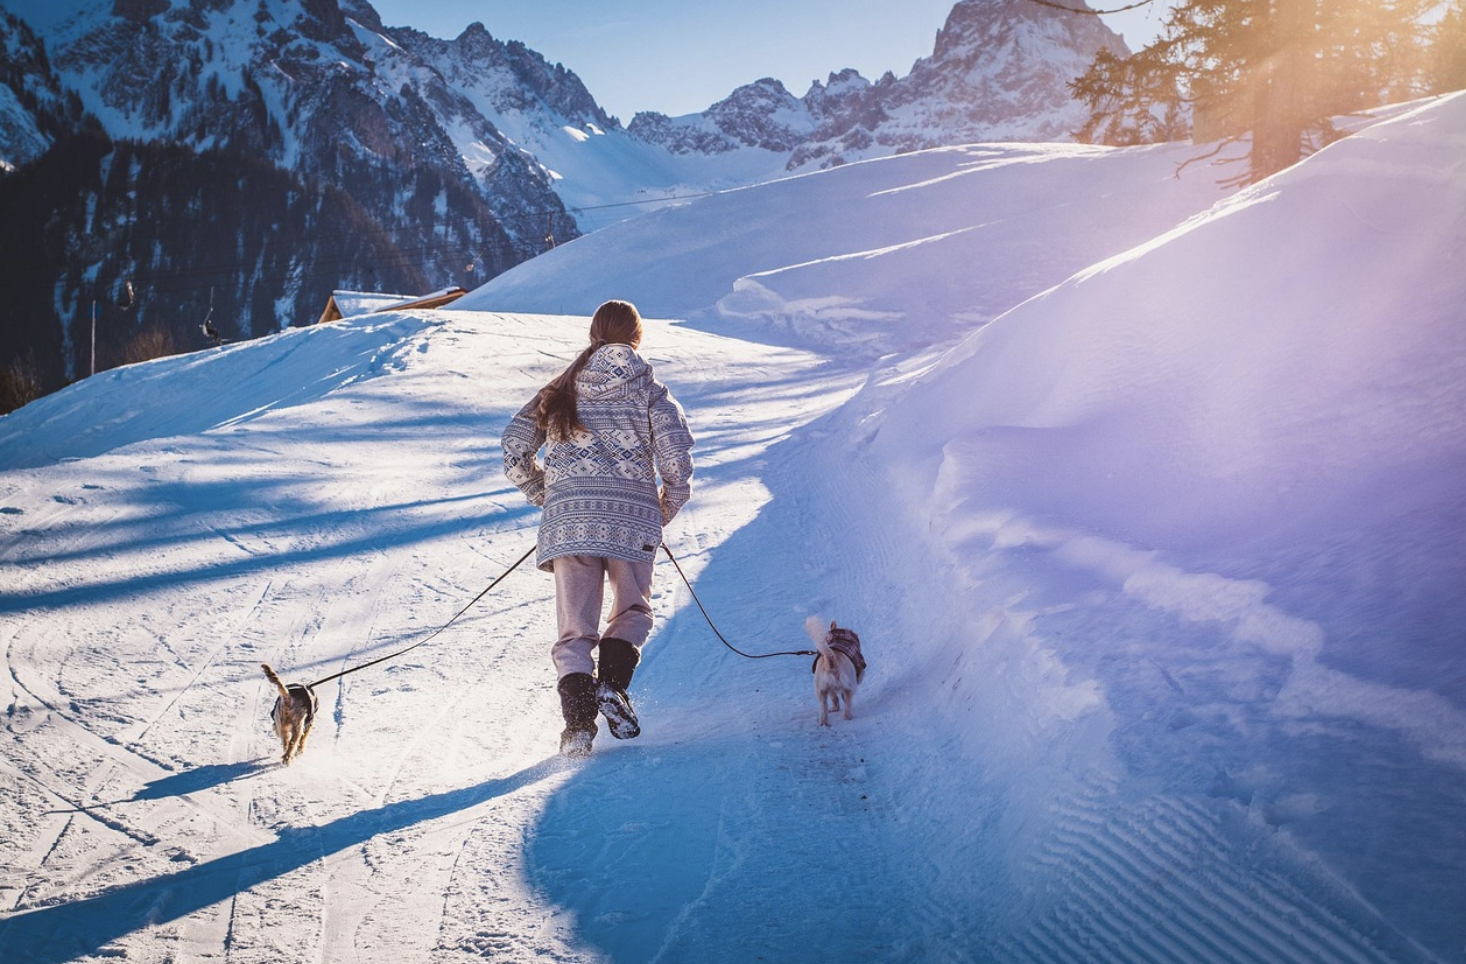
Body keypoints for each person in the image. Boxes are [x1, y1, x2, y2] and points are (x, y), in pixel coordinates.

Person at [501, 300, 695, 757]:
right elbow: (676, 464)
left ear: (593, 335)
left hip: (569, 525)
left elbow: (513, 448)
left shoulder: (560, 388)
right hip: (632, 521)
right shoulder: (651, 390)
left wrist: (546, 494)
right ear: (637, 337)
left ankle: (578, 729)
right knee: (632, 611)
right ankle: (612, 686)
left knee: (574, 630)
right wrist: (659, 511)